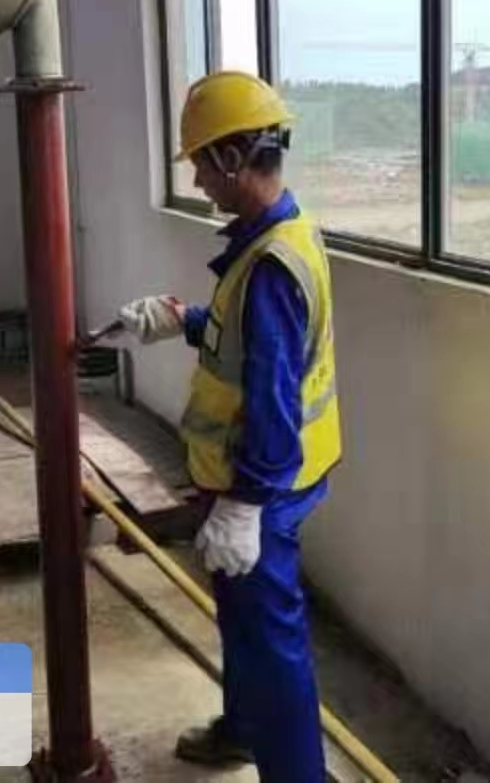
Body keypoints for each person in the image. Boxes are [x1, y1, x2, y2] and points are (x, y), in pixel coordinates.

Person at [119, 71, 342, 782]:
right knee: (243, 620)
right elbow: (247, 346)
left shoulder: (271, 266)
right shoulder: (279, 233)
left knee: (273, 649)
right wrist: (181, 320)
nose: (197, 179)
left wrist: (245, 506)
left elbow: (273, 401)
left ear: (233, 157)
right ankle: (243, 730)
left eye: (201, 163)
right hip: (266, 477)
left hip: (263, 486)